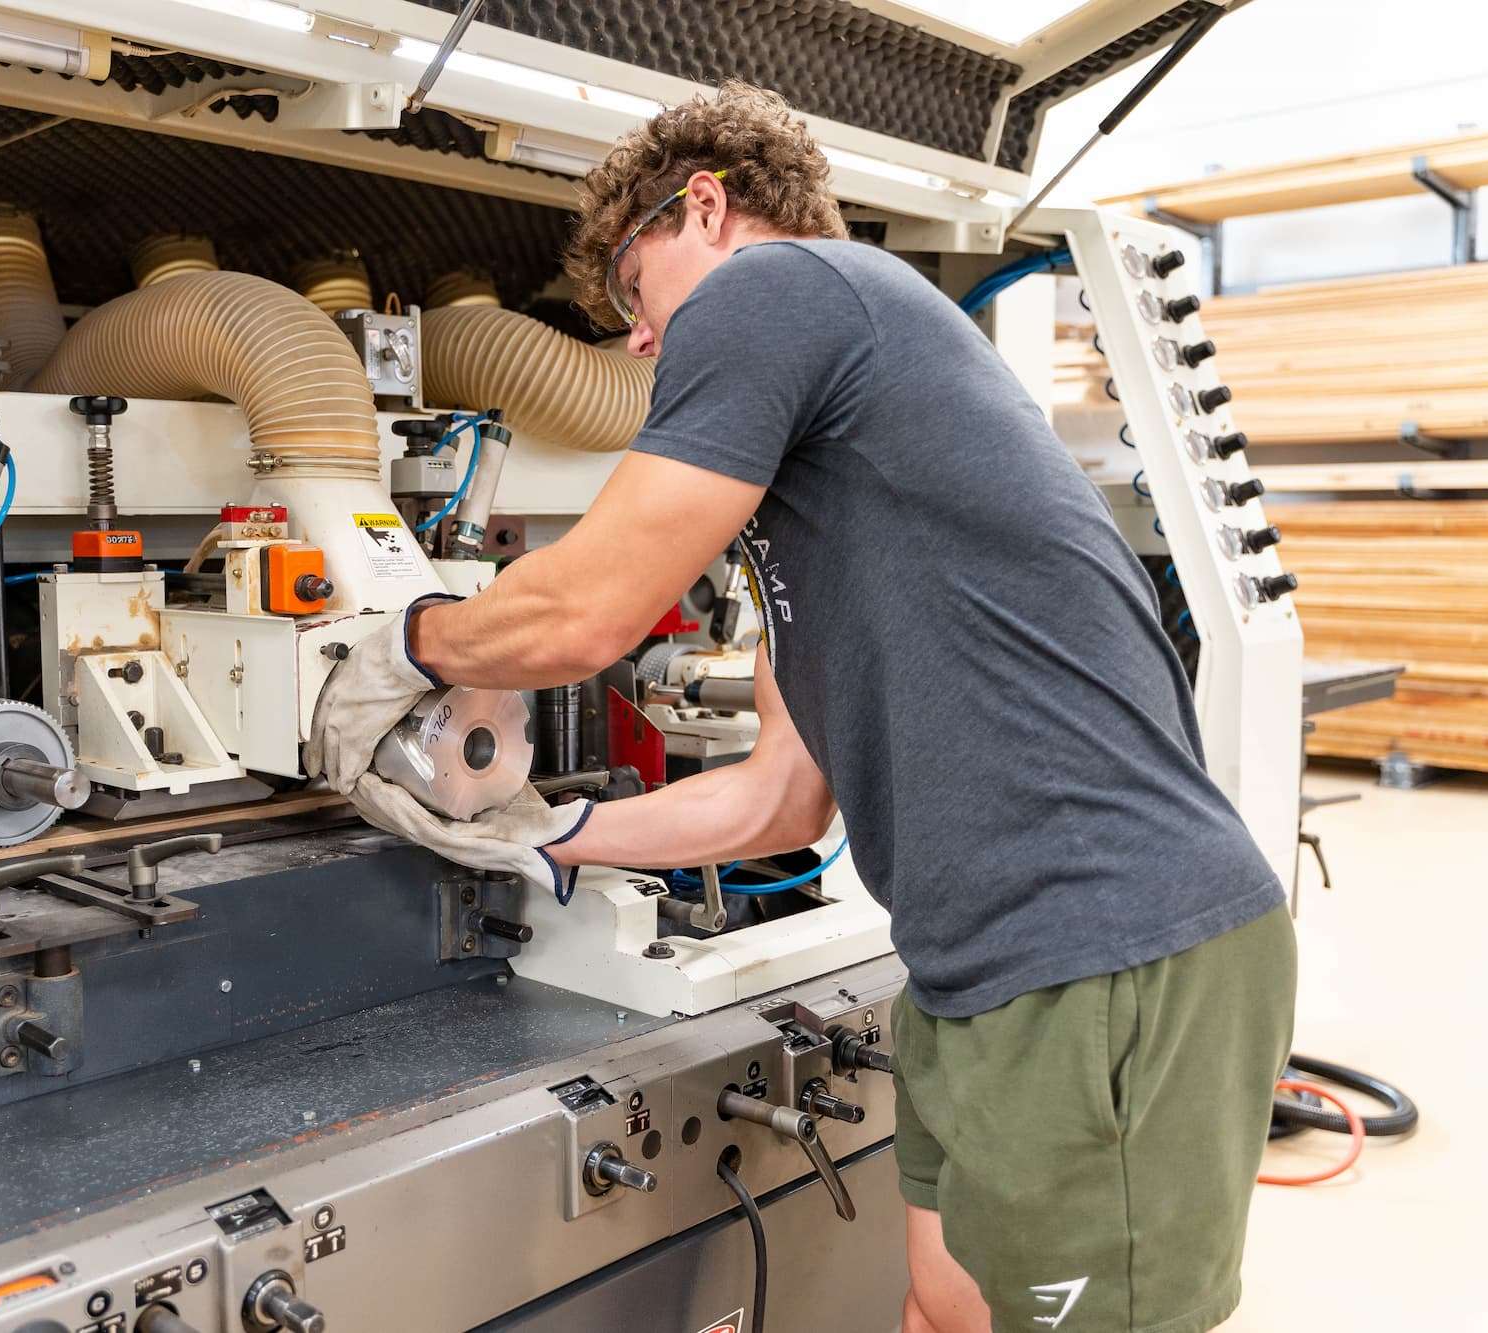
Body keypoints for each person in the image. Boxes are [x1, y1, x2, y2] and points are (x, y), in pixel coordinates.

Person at [309, 81, 1296, 1333]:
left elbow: (589, 613)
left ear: (706, 207)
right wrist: (533, 836)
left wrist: (397, 641)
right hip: (972, 967)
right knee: (942, 1303)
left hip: (1104, 951)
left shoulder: (785, 288)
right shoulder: (818, 487)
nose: (633, 339)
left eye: (629, 289)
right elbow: (781, 791)